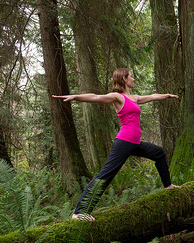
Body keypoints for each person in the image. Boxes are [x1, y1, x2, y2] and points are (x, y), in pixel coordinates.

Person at [52, 68, 180, 221]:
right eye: (130, 76)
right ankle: (79, 212)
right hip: (124, 142)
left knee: (158, 152)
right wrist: (75, 97)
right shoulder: (117, 97)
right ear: (124, 79)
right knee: (105, 175)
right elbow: (95, 97)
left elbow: (152, 96)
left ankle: (168, 186)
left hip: (134, 143)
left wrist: (167, 95)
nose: (133, 78)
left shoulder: (134, 98)